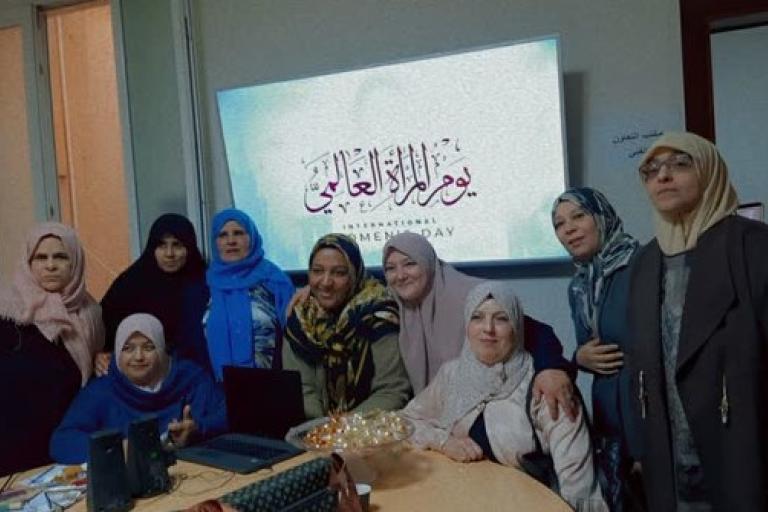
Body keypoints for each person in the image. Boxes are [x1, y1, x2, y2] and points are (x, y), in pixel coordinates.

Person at [628, 132, 768, 511]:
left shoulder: (754, 247)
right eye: (651, 170)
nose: (663, 176)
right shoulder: (644, 262)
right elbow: (638, 364)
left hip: (739, 447)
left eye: (680, 163)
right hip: (669, 457)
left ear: (710, 171)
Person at [402, 281, 607, 511]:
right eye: (477, 317)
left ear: (518, 326)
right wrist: (443, 442)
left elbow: (579, 487)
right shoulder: (452, 374)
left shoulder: (546, 386)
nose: (487, 328)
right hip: (460, 498)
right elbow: (404, 422)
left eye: (501, 318)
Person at [382, 232, 577, 420]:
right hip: (437, 422)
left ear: (428, 263)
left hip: (492, 421)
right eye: (390, 268)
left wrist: (550, 368)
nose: (400, 276)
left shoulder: (471, 295)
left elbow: (537, 332)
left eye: (409, 264)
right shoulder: (397, 308)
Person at [552, 188, 642, 511]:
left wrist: (644, 441)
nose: (569, 229)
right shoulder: (578, 286)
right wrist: (578, 358)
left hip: (646, 416)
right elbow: (586, 348)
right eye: (560, 224)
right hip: (608, 419)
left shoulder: (643, 265)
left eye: (579, 216)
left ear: (602, 216)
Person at [50, 313, 227, 463]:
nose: (138, 357)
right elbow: (61, 442)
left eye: (149, 347)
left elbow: (230, 414)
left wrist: (198, 429)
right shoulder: (102, 391)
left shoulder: (190, 378)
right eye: (128, 349)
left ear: (161, 350)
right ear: (117, 354)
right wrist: (117, 448)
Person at [0, 223, 104, 474]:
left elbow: (93, 369)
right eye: (40, 257)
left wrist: (102, 356)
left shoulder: (90, 313)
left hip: (66, 445)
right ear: (28, 263)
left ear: (75, 262)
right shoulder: (8, 312)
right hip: (12, 447)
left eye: (60, 256)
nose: (50, 266)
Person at [283, 234, 411, 418]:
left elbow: (392, 390)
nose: (326, 282)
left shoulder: (379, 314)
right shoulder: (301, 318)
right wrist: (323, 429)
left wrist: (344, 429)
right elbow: (302, 389)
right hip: (317, 431)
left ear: (355, 274)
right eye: (317, 271)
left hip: (373, 431)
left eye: (339, 273)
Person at [97, 214, 209, 374]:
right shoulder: (131, 284)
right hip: (138, 375)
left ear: (189, 248)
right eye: (162, 245)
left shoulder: (205, 284)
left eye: (177, 245)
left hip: (194, 375)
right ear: (152, 248)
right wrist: (100, 355)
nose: (169, 253)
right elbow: (103, 330)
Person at [204, 208, 295, 381]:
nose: (231, 241)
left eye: (238, 233)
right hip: (218, 393)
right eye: (222, 235)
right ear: (214, 242)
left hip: (273, 387)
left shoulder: (275, 281)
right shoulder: (204, 286)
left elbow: (294, 336)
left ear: (252, 238)